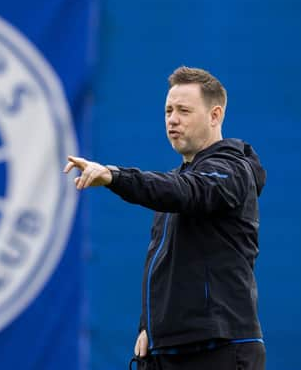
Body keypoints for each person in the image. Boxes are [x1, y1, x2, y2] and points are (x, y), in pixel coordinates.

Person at [64, 66, 266, 369]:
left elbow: (185, 191)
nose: (172, 119)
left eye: (184, 110)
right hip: (169, 349)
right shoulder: (178, 179)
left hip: (220, 349)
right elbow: (163, 263)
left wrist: (114, 176)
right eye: (168, 110)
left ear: (215, 115)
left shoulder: (233, 170)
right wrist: (149, 327)